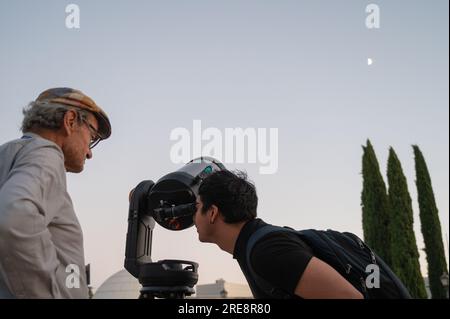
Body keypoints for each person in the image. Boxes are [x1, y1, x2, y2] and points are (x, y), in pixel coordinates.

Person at [0, 87, 111, 298]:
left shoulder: (8, 154)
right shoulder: (47, 153)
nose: (89, 152)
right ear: (70, 121)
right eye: (92, 136)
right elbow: (15, 218)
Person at [193, 169, 367, 299]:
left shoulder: (267, 250)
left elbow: (349, 297)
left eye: (197, 207)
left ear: (212, 213)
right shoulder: (254, 246)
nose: (193, 217)